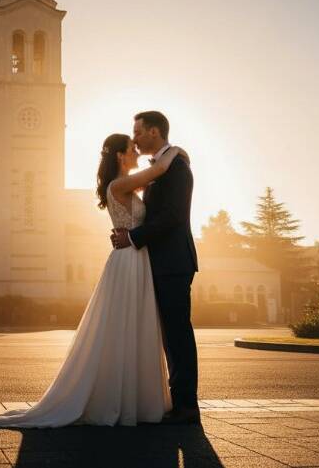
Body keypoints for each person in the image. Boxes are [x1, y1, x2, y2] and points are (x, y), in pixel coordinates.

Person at [0, 131, 188, 428]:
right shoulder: (119, 184)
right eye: (132, 149)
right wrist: (178, 151)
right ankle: (121, 400)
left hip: (135, 258)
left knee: (133, 326)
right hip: (128, 260)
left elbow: (155, 182)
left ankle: (135, 399)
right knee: (124, 326)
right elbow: (158, 170)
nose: (136, 153)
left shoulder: (125, 185)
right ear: (119, 155)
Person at [111, 110, 200, 424]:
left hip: (174, 262)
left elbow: (174, 215)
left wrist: (132, 236)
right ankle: (177, 402)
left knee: (177, 333)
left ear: (153, 131)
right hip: (158, 261)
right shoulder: (162, 167)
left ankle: (187, 406)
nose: (134, 137)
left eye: (137, 130)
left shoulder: (177, 166)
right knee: (168, 335)